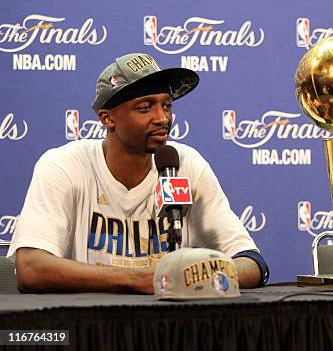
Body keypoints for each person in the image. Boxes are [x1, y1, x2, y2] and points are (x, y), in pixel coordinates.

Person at [8, 53, 268, 293]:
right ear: (107, 118)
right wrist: (140, 279)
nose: (162, 118)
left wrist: (194, 276)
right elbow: (31, 268)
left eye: (166, 106)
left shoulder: (187, 165)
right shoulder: (63, 166)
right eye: (145, 107)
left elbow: (252, 263)